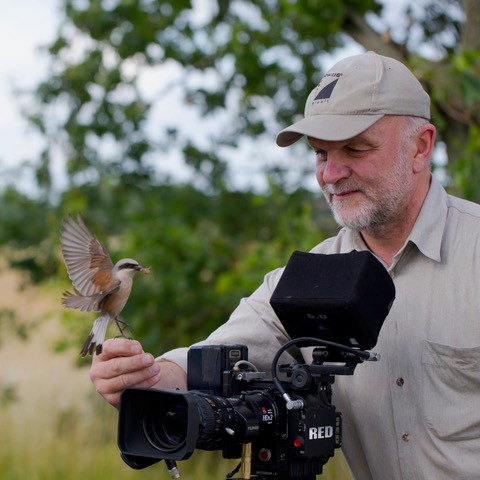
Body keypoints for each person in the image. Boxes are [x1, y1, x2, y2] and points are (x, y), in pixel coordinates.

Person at [89, 51, 480, 479]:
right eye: (320, 153)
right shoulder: (307, 279)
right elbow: (209, 360)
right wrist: (144, 377)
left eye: (356, 148)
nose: (331, 173)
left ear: (420, 147)